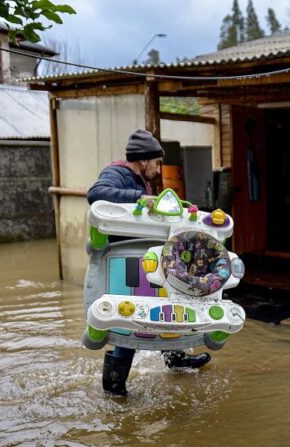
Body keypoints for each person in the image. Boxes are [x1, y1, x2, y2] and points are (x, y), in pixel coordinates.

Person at [87, 129, 211, 396]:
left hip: (146, 258)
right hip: (123, 261)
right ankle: (114, 387)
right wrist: (139, 198)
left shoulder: (138, 179)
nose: (158, 169)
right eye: (156, 162)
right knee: (130, 318)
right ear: (143, 161)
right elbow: (95, 194)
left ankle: (175, 360)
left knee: (165, 307)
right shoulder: (117, 173)